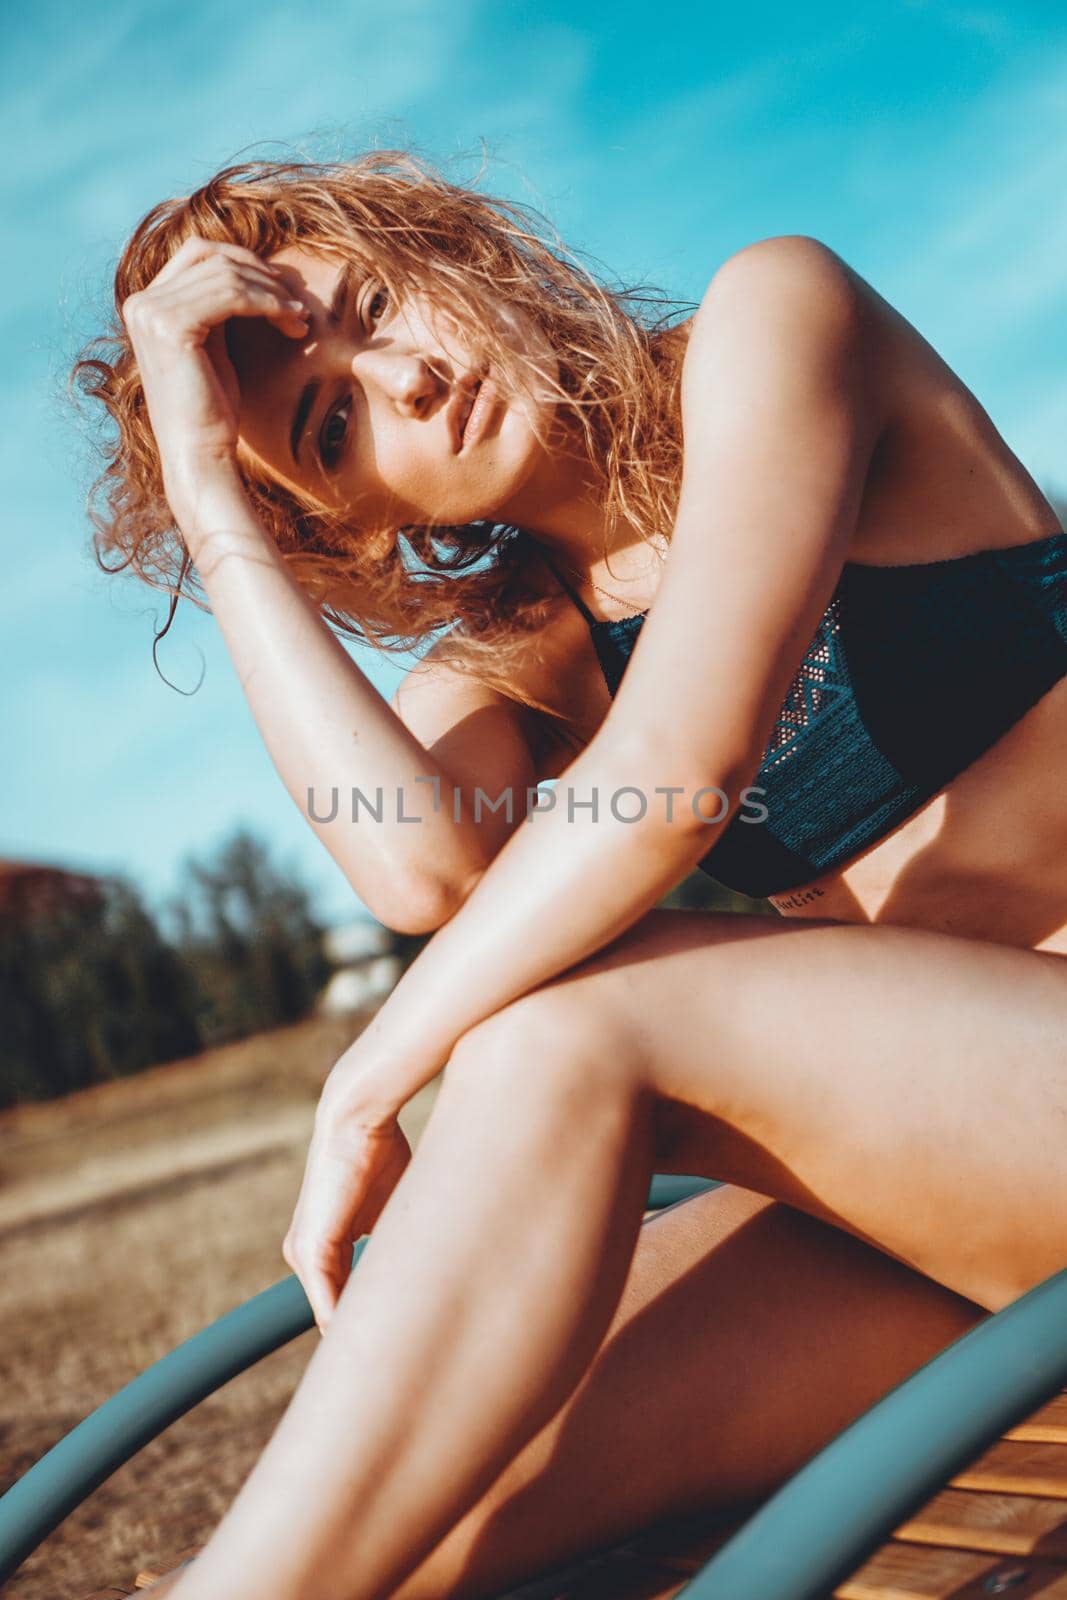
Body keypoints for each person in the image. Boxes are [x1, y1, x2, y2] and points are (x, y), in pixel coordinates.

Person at [74, 150, 1067, 1600]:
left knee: (572, 1020)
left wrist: (368, 1079)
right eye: (336, 422)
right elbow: (414, 865)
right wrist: (219, 513)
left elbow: (678, 774)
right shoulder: (523, 649)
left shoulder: (776, 319)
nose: (409, 379)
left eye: (372, 303)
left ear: (448, 247)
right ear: (353, 524)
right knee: (426, 1520)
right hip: (958, 1209)